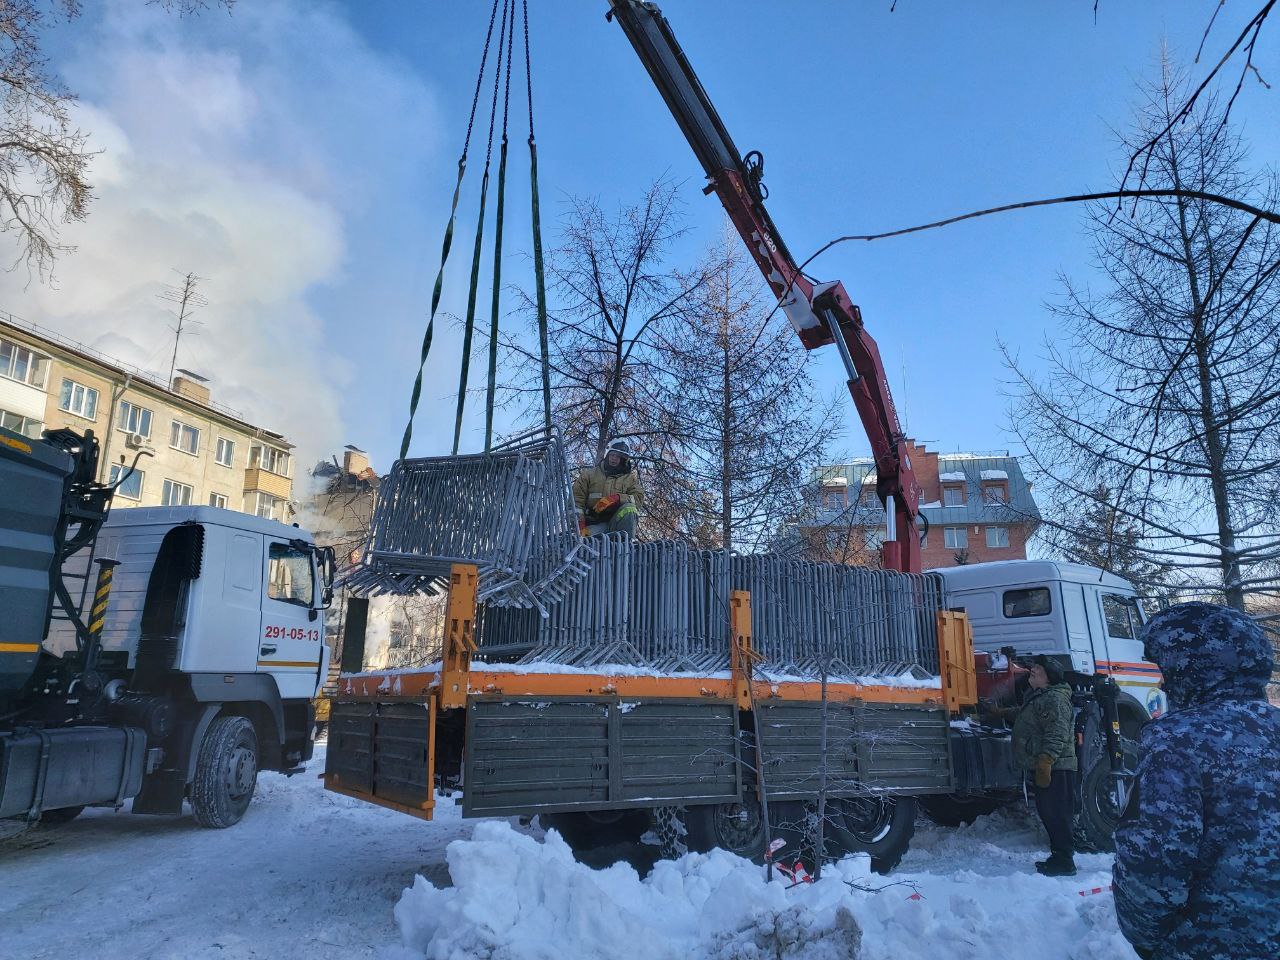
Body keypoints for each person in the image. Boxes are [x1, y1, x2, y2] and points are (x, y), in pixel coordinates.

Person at [1113, 602, 1279, 960]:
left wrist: (1148, 941)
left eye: (1163, 666)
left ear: (1187, 666)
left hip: (1214, 946)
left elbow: (1151, 871)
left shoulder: (1177, 741)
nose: (1160, 678)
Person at [983, 654, 1077, 876]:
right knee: (1049, 812)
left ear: (1049, 678)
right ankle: (1059, 857)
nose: (1033, 671)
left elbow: (1057, 732)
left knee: (1057, 814)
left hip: (1057, 767)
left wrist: (1046, 760)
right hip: (1047, 766)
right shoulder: (1040, 696)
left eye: (1039, 670)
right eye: (1034, 668)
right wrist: (1000, 712)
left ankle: (1065, 861)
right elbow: (1026, 715)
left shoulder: (1055, 699)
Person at [573, 439, 644, 538]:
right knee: (585, 541)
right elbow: (575, 502)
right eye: (612, 455)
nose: (614, 458)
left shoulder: (630, 479)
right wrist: (580, 526)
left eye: (618, 456)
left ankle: (624, 548)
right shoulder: (589, 475)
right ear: (607, 455)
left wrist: (617, 498)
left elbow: (638, 498)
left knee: (629, 509)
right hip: (592, 525)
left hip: (617, 525)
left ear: (624, 459)